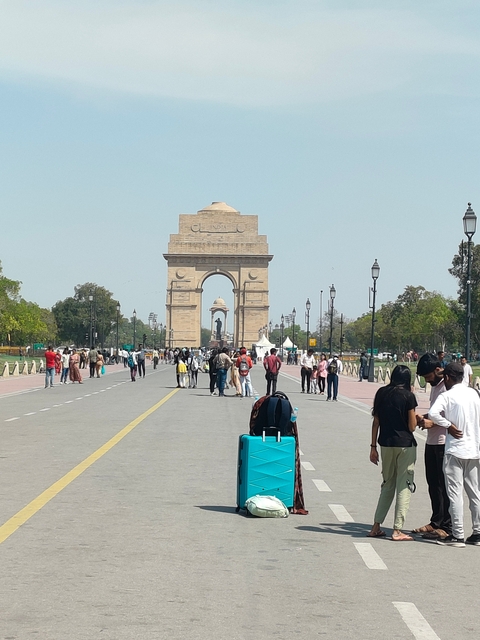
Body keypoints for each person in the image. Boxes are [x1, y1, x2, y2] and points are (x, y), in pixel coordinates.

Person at [429, 362, 480, 547]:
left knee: (455, 493)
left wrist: (448, 425)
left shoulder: (447, 395)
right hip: (474, 450)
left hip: (454, 451)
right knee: (475, 493)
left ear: (448, 378)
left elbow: (433, 413)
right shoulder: (474, 394)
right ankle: (478, 532)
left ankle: (458, 535)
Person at [368, 365, 417, 541]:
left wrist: (373, 447)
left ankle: (376, 526)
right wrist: (417, 419)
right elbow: (412, 426)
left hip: (385, 444)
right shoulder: (408, 396)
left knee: (387, 484)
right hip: (405, 444)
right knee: (404, 485)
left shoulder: (381, 393)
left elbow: (376, 422)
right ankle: (397, 530)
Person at [412, 353, 451, 539]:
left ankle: (446, 526)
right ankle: (436, 521)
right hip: (431, 442)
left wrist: (432, 423)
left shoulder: (448, 387)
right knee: (433, 484)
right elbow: (436, 412)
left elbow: (450, 415)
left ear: (438, 370)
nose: (428, 381)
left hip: (444, 442)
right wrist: (424, 418)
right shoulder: (436, 387)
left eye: (429, 377)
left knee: (444, 486)